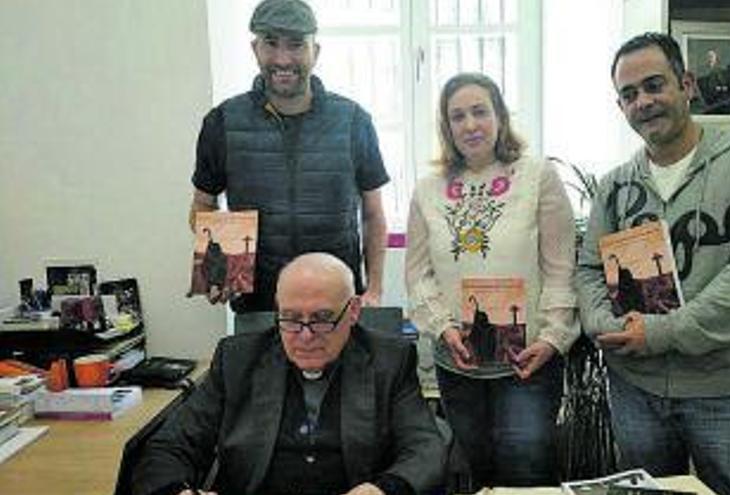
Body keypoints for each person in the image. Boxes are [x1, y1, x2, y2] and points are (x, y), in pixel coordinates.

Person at [576, 33, 730, 495]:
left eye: (655, 85)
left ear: (687, 84)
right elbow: (590, 269)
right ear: (620, 107)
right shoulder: (614, 187)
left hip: (726, 392)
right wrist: (604, 324)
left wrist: (658, 332)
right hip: (635, 392)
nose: (644, 102)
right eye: (629, 95)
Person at [133, 253, 447, 495]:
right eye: (291, 319)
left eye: (323, 319)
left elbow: (425, 447)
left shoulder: (389, 361)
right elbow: (171, 446)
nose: (306, 336)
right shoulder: (237, 360)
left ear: (353, 311)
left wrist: (385, 489)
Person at [405, 72, 579, 490]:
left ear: (499, 115)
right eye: (457, 116)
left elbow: (560, 267)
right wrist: (444, 328)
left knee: (527, 472)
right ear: (446, 127)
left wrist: (554, 337)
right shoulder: (428, 189)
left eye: (480, 111)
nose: (469, 125)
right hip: (458, 365)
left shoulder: (537, 176)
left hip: (527, 364)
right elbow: (417, 272)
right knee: (479, 473)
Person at [189, 0, 389, 333]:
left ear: (316, 50)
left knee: (342, 388)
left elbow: (372, 213)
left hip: (335, 309)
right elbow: (203, 204)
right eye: (271, 43)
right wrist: (219, 267)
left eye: (296, 44)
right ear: (255, 49)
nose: (283, 59)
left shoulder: (353, 121)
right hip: (258, 310)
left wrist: (375, 289)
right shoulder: (222, 122)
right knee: (258, 388)